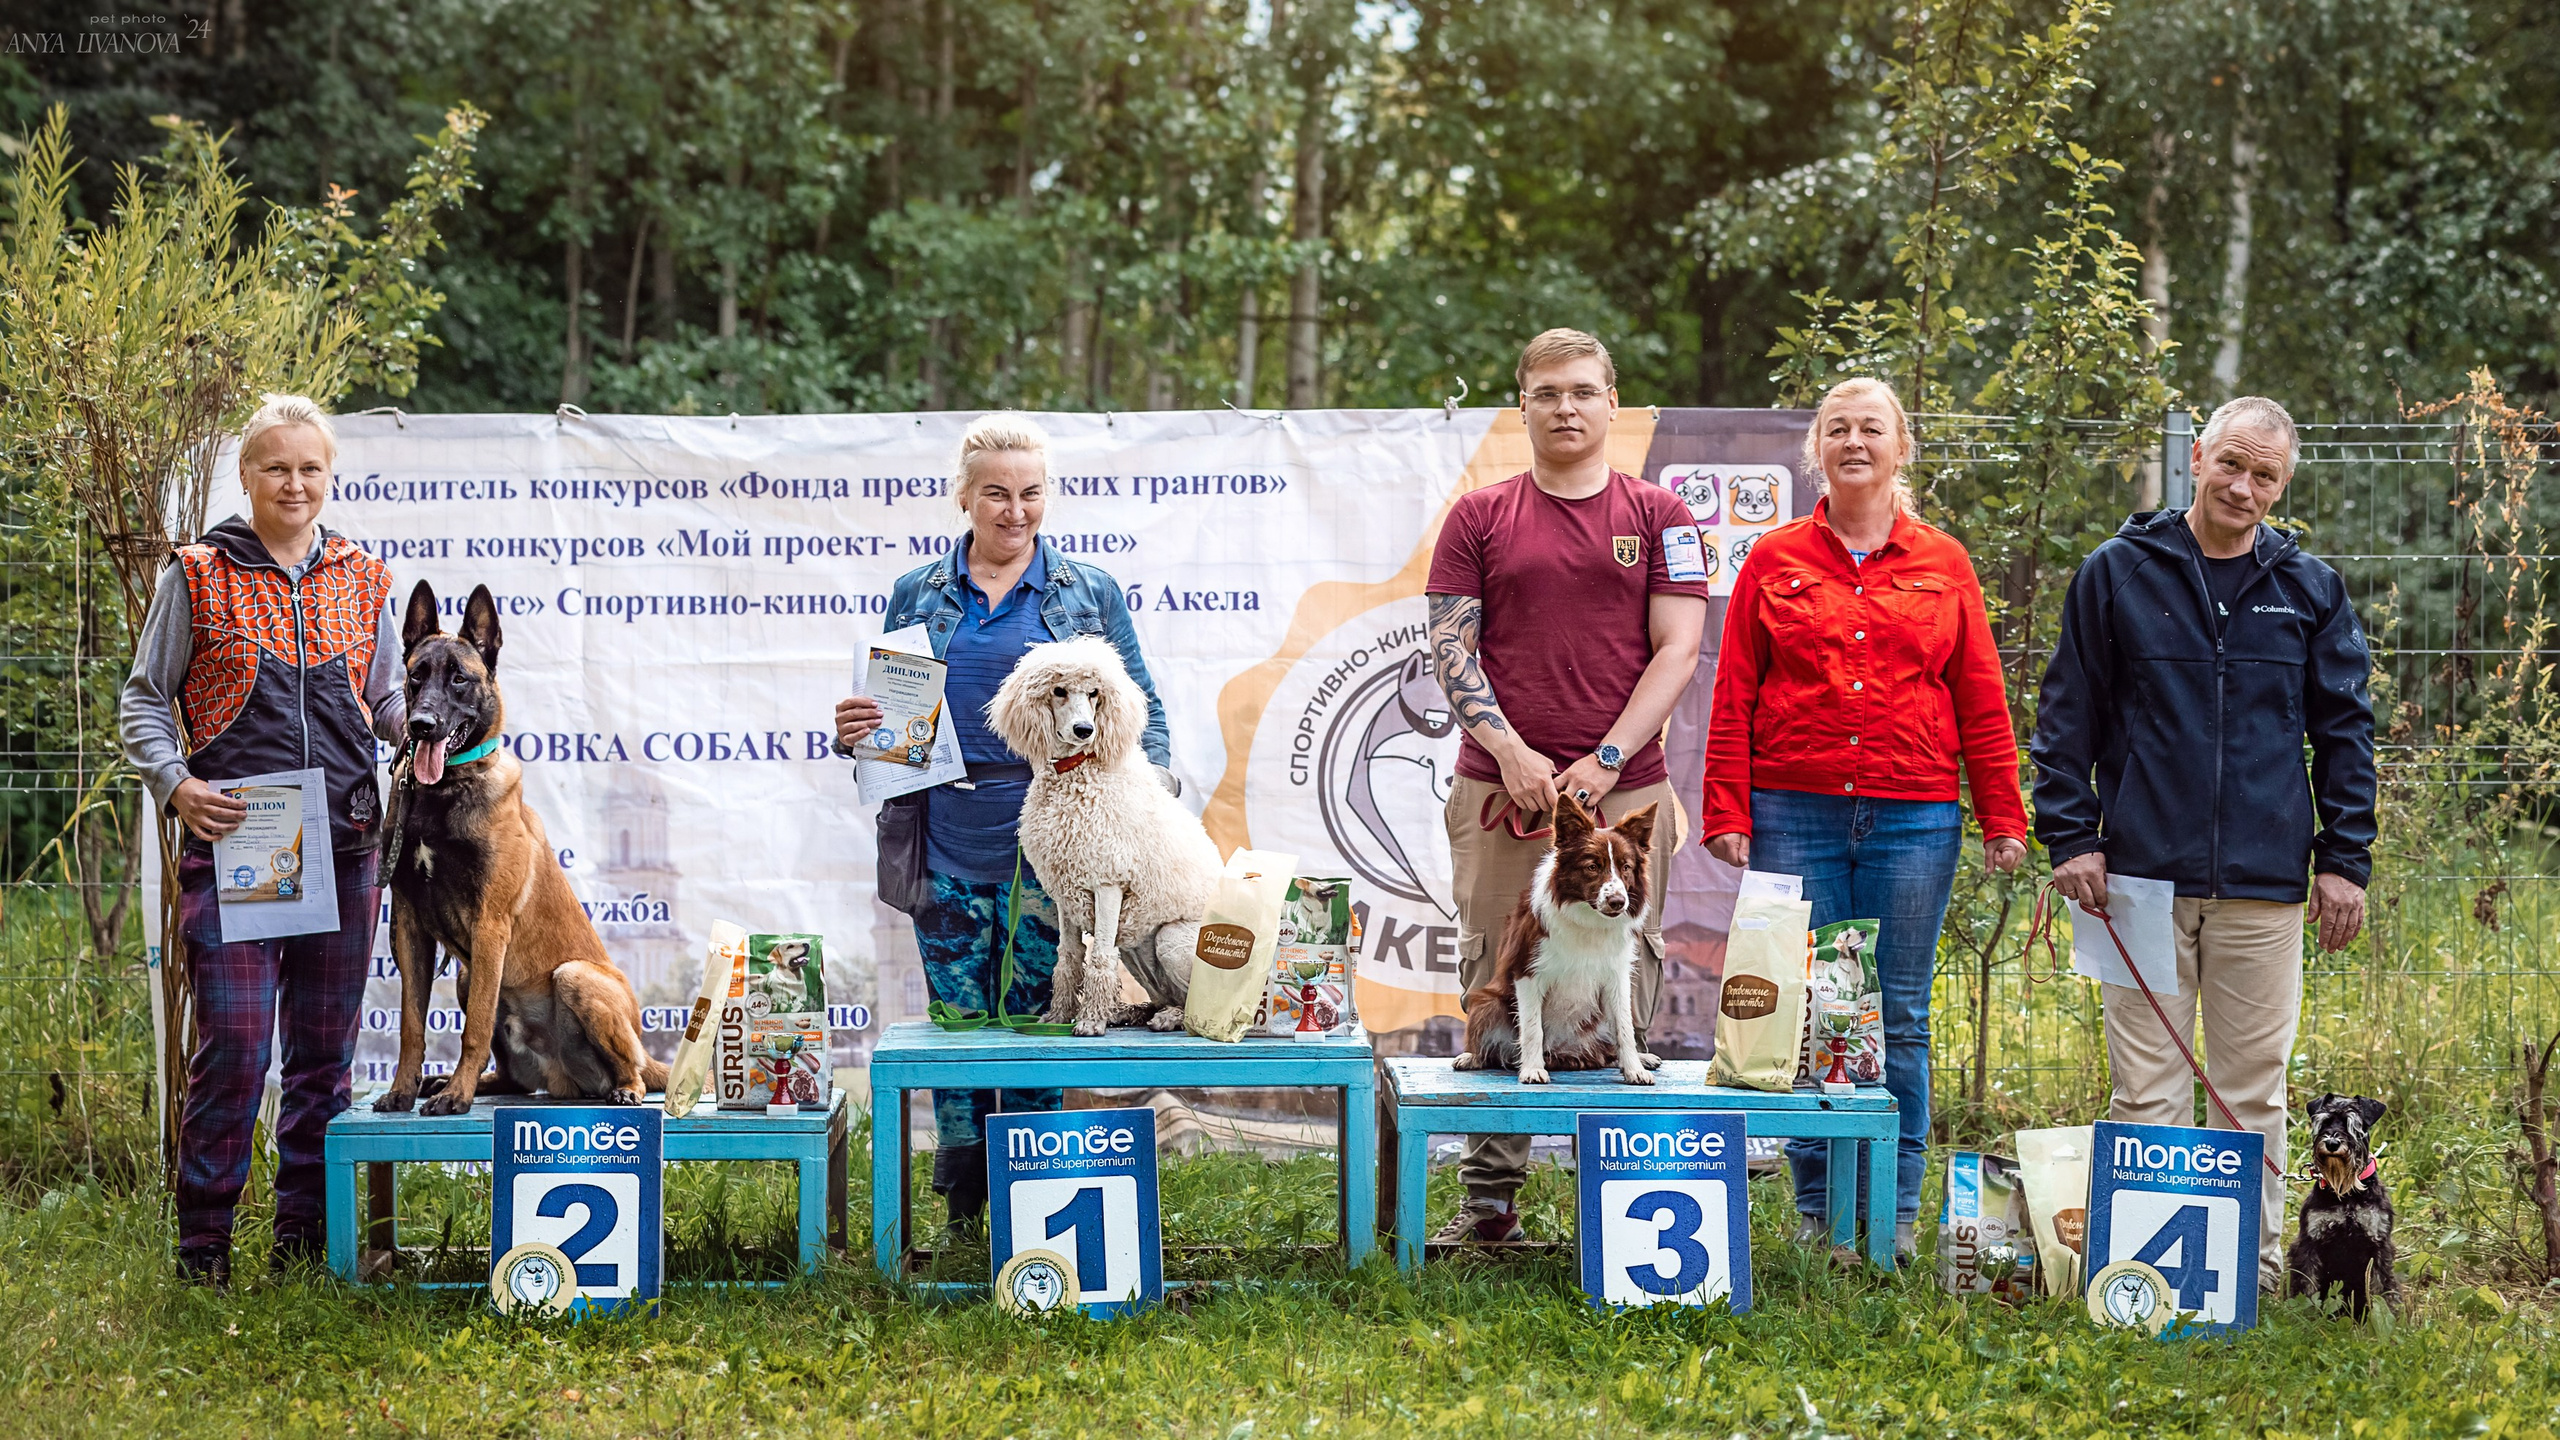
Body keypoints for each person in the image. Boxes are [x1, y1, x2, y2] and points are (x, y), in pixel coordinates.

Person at [2032, 394, 2374, 1291]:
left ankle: (2249, 1273)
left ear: (2283, 484)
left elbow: (2346, 733)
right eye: (2231, 464)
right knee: (2147, 1093)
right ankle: (2141, 1276)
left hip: (2265, 885)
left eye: (2265, 475)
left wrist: (2344, 862)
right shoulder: (2117, 573)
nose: (2244, 486)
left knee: (2250, 1091)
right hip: (2134, 879)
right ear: (2198, 460)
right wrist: (2071, 834)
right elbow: (2067, 716)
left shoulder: (2310, 589)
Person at [1701, 376, 2028, 1261]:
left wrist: (2003, 816)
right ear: (1817, 448)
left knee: (1900, 1011)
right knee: (1807, 1011)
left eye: (1871, 429)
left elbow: (1980, 697)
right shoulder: (1773, 560)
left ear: (1901, 448)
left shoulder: (1944, 562)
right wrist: (1727, 806)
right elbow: (1734, 692)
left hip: (1914, 817)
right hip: (1792, 812)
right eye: (1837, 428)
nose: (1855, 441)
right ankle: (1820, 1216)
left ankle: (1894, 1213)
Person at [833, 412, 1173, 1232]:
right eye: (995, 493)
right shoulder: (917, 593)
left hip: (1054, 850)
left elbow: (1144, 712)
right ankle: (959, 1210)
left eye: (1030, 493)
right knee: (956, 1037)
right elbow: (893, 726)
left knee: (1037, 1030)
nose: (1014, 510)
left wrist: (1147, 792)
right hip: (946, 843)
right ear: (964, 497)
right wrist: (858, 732)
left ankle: (1038, 1205)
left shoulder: (1088, 593)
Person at [1424, 328, 1711, 1244]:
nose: (1566, 407)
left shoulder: (1662, 514)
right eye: (1546, 393)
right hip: (1500, 790)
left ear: (1612, 404)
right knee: (1497, 968)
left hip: (1624, 795)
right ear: (1524, 407)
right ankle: (1489, 1204)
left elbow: (1678, 647)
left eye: (1584, 391)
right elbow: (1449, 648)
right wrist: (1508, 749)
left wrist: (1610, 760)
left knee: (1624, 968)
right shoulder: (1479, 516)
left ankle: (1622, 1194)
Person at [118, 395, 407, 1287]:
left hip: (349, 841)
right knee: (236, 1050)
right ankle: (204, 1251)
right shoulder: (197, 574)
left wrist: (431, 727)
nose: (294, 482)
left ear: (330, 476)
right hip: (246, 840)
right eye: (276, 467)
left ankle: (302, 1247)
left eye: (309, 468)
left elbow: (385, 699)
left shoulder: (363, 577)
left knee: (322, 1058)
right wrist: (178, 784)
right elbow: (142, 699)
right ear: (245, 476)